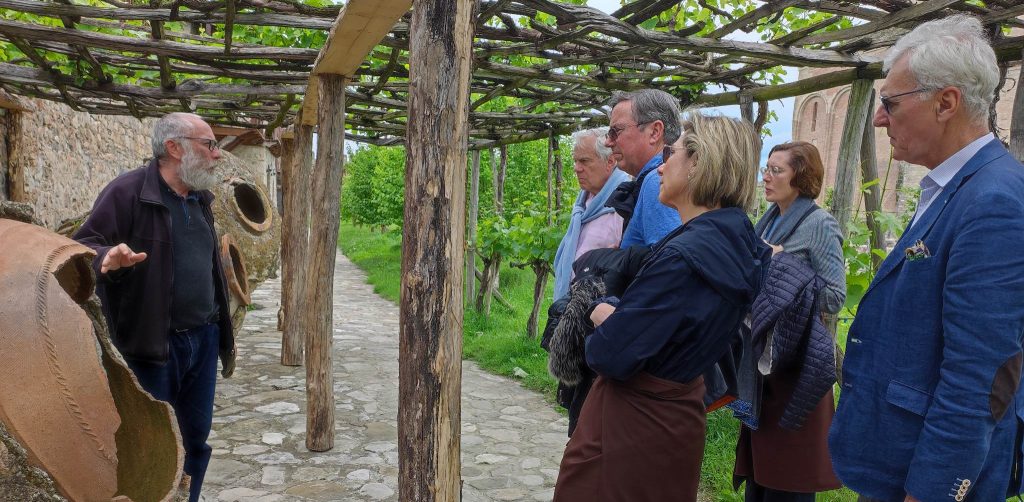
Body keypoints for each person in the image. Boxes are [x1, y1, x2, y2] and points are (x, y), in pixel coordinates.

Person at [829, 14, 1024, 502]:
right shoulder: (955, 185)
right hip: (900, 461)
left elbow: (980, 377)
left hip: (924, 478)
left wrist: (934, 491)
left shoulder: (994, 201)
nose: (878, 118)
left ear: (946, 103)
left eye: (890, 103)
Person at [553, 113, 770, 501]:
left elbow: (610, 353)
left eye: (674, 152)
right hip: (677, 418)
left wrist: (601, 311)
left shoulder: (682, 258)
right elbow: (673, 328)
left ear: (699, 165)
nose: (663, 163)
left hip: (632, 429)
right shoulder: (741, 243)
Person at [74, 112, 235, 502]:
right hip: (152, 346)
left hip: (204, 338)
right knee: (152, 445)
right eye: (209, 144)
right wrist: (106, 256)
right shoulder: (128, 192)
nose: (217, 155)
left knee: (196, 439)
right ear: (174, 148)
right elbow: (83, 244)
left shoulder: (199, 198)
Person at [733, 141, 844, 502]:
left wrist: (783, 266)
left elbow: (835, 297)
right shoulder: (766, 222)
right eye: (766, 169)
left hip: (797, 370)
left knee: (789, 481)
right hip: (764, 367)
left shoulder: (819, 225)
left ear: (801, 177)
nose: (766, 176)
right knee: (761, 477)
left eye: (776, 170)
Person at [552, 127, 628, 301]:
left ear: (610, 161)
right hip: (572, 306)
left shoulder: (623, 206)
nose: (576, 168)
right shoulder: (584, 203)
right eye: (575, 161)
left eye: (584, 161)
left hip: (597, 312)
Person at [603, 89, 682, 247]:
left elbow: (671, 265)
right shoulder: (669, 177)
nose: (608, 142)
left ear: (654, 132)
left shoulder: (658, 181)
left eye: (615, 131)